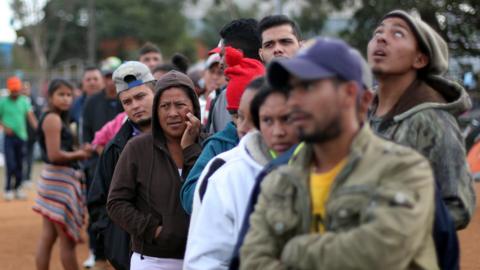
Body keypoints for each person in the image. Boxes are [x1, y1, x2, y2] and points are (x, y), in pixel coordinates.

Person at [240, 37, 438, 269]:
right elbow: (252, 262)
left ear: (349, 93)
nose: (293, 100)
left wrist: (294, 250)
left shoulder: (402, 168)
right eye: (290, 89)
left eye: (307, 86)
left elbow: (380, 255)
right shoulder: (279, 182)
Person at [367, 10, 475, 230]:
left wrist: (390, 224)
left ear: (420, 59)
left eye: (397, 34)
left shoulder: (432, 121)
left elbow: (458, 207)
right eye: (378, 32)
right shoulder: (359, 113)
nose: (381, 37)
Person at [184, 78, 298, 269]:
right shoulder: (225, 173)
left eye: (286, 118)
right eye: (238, 117)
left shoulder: (321, 165)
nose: (242, 128)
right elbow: (204, 260)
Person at [107, 71, 203, 269]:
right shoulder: (137, 148)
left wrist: (191, 150)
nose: (173, 113)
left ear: (194, 106)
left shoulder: (210, 145)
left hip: (205, 258)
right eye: (164, 106)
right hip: (153, 261)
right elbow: (116, 203)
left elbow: (210, 195)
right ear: (156, 111)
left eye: (180, 104)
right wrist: (154, 230)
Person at [87, 61, 157, 270]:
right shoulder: (114, 149)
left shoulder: (180, 137)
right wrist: (116, 244)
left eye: (140, 96)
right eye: (127, 102)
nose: (135, 105)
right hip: (133, 255)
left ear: (156, 91)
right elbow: (98, 202)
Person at [180, 46, 265, 214]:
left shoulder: (286, 143)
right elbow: (190, 196)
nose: (242, 127)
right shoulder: (220, 145)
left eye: (254, 117)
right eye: (237, 116)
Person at [32, 79, 93, 270]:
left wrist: (75, 150)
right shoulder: (53, 119)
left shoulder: (55, 117)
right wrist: (80, 154)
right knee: (68, 241)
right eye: (61, 94)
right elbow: (54, 154)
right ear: (50, 97)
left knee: (48, 237)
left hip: (54, 179)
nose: (66, 99)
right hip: (60, 181)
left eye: (69, 95)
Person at [207, 18, 262, 134]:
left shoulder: (275, 96)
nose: (220, 63)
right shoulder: (221, 100)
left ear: (238, 54)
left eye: (222, 55)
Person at [0, 76, 38, 201]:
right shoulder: (3, 102)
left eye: (17, 91)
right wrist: (4, 126)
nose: (15, 93)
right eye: (13, 91)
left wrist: (39, 129)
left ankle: (18, 187)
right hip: (9, 138)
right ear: (10, 90)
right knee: (10, 163)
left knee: (21, 163)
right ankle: (8, 189)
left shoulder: (24, 101)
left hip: (22, 137)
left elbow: (30, 117)